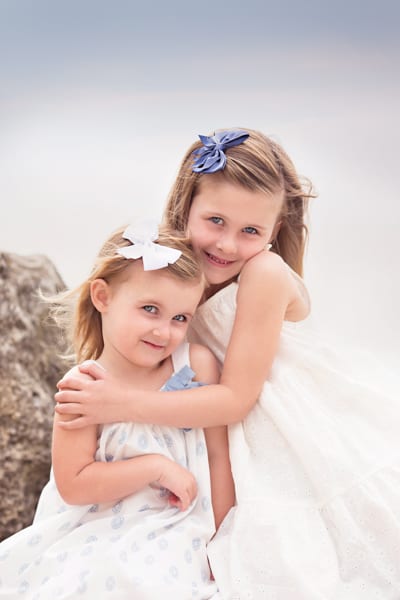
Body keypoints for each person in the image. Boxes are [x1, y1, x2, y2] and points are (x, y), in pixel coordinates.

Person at [55, 129, 400, 599]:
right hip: (206, 426)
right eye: (215, 220)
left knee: (292, 562)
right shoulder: (176, 273)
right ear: (186, 207)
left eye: (250, 231)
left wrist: (119, 403)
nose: (227, 244)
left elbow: (236, 398)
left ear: (275, 231)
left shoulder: (264, 271)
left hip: (281, 430)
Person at [0, 220, 234, 599]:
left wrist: (223, 541)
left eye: (180, 318)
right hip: (95, 529)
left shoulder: (195, 366)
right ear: (102, 297)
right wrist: (155, 468)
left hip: (179, 528)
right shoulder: (84, 386)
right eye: (150, 309)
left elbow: (219, 458)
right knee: (97, 578)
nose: (164, 332)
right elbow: (74, 483)